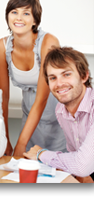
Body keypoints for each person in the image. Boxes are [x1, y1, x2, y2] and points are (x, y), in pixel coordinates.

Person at [0, 0, 66, 156]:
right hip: (30, 120)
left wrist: (20, 143)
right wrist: (4, 139)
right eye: (14, 12)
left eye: (26, 13)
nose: (19, 18)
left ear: (35, 20)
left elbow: (42, 98)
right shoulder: (2, 47)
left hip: (59, 121)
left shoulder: (48, 42)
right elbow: (3, 97)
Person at [24, 47, 94, 183]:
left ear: (84, 76)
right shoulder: (61, 109)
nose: (59, 84)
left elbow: (81, 165)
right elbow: (77, 160)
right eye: (53, 78)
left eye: (66, 74)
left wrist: (41, 154)